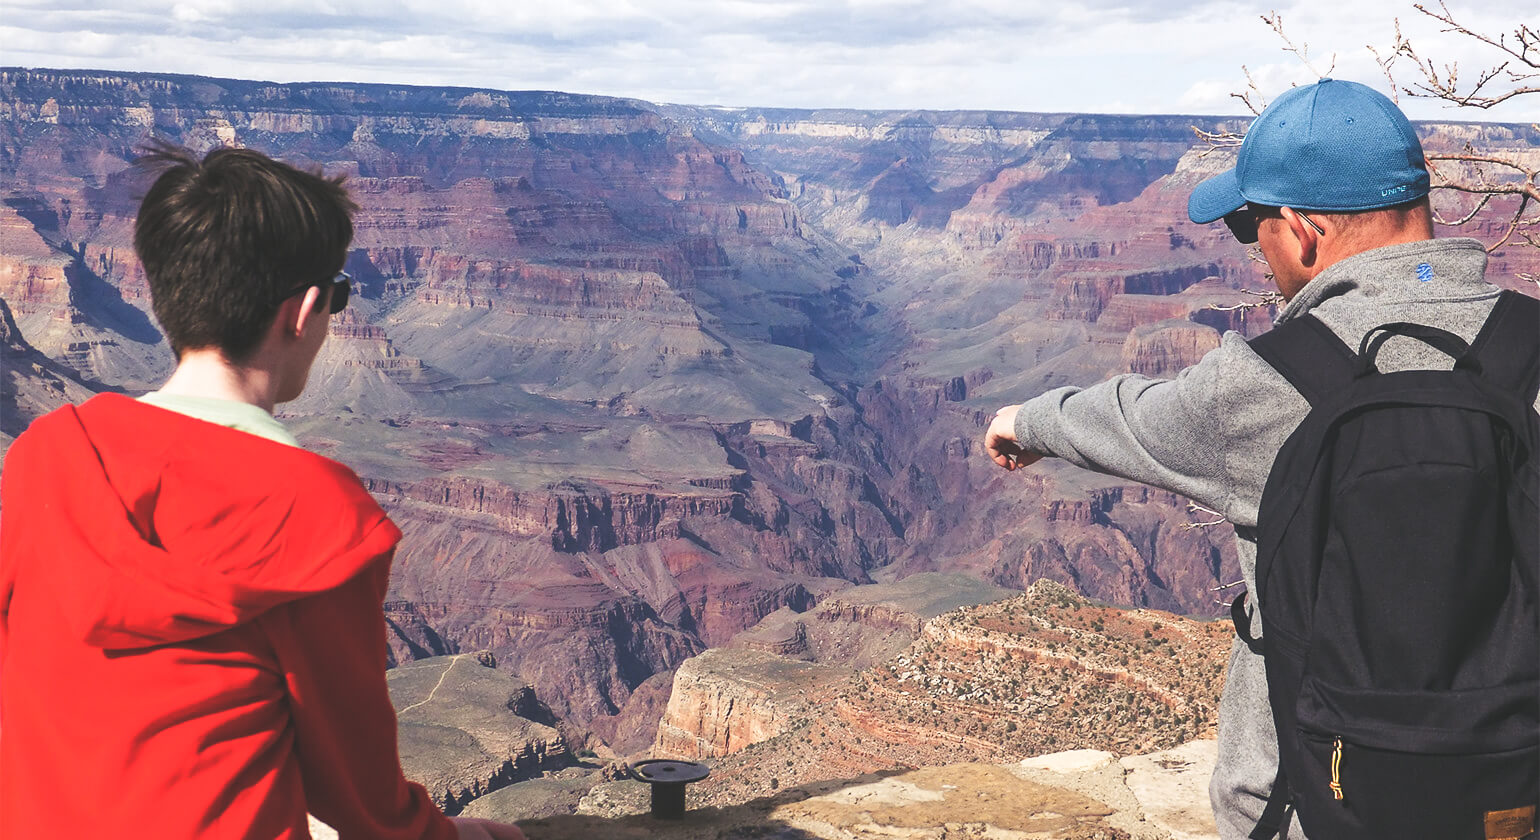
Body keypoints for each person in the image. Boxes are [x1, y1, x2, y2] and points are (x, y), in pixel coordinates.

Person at [984, 78, 1537, 839]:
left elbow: (1131, 422)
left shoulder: (1270, 381)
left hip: (1311, 803)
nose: (1252, 253)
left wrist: (1026, 421)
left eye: (1252, 227)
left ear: (1304, 231)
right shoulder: (1531, 351)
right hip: (1514, 792)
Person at [0, 144, 523, 840]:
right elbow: (362, 806)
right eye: (338, 293)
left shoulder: (47, 455)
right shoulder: (316, 515)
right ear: (303, 311)